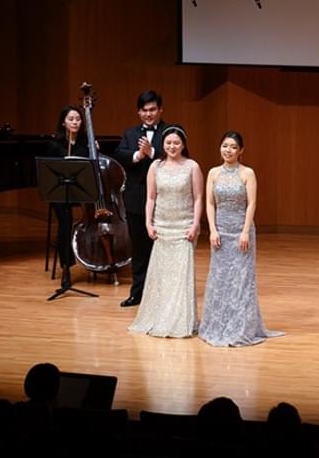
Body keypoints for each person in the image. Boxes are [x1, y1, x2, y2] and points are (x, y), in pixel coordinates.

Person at [200, 131, 283, 347]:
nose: (228, 150)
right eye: (225, 146)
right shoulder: (213, 173)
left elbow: (251, 203)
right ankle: (218, 324)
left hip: (241, 233)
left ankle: (240, 327)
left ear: (241, 151)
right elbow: (210, 203)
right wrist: (212, 230)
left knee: (241, 280)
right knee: (220, 279)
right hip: (220, 233)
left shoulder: (248, 173)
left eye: (233, 147)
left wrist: (245, 231)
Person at [128, 125, 201, 338]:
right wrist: (148, 223)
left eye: (176, 143)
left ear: (183, 145)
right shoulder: (155, 166)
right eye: (168, 143)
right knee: (162, 276)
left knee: (181, 276)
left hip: (183, 226)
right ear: (163, 145)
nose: (172, 146)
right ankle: (161, 317)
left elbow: (198, 198)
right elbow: (151, 197)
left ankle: (181, 321)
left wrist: (195, 224)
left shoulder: (192, 166)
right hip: (161, 226)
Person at [113, 89, 168, 307]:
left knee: (162, 249)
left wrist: (152, 152)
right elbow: (119, 154)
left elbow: (182, 156)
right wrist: (138, 155)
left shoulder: (170, 131)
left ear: (160, 110)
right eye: (144, 110)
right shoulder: (130, 133)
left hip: (164, 200)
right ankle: (137, 293)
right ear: (139, 112)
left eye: (152, 109)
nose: (148, 114)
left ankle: (162, 295)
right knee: (139, 249)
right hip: (136, 199)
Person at [50, 104, 93, 278]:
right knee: (65, 221)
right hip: (61, 192)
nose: (75, 122)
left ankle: (94, 259)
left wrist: (94, 151)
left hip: (81, 190)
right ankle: (66, 266)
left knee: (95, 215)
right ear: (63, 123)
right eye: (71, 119)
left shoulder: (86, 143)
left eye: (78, 119)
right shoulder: (55, 144)